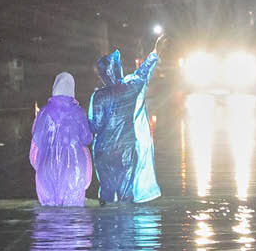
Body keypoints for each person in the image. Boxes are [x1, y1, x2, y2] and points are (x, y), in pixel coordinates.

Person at [89, 35, 164, 204]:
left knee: (107, 194)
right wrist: (155, 51)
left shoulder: (99, 96)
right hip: (126, 151)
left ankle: (108, 226)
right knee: (126, 195)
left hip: (104, 153)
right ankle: (127, 226)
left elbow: (94, 125)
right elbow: (144, 72)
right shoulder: (130, 87)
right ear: (118, 69)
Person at [29, 72, 94, 206]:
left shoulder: (44, 113)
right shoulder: (78, 112)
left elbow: (36, 137)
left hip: (48, 167)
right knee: (73, 210)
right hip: (73, 168)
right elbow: (87, 138)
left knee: (49, 211)